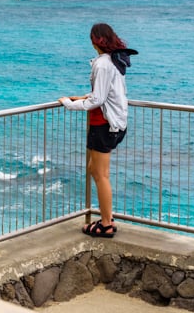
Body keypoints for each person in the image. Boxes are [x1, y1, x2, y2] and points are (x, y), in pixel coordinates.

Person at [59, 23, 137, 238]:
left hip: (103, 125)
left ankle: (106, 223)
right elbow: (106, 92)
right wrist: (85, 97)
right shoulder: (114, 60)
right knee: (95, 169)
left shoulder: (103, 63)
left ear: (95, 40)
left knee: (100, 174)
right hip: (112, 122)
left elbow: (99, 98)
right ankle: (106, 216)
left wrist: (69, 104)